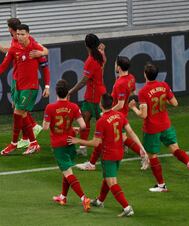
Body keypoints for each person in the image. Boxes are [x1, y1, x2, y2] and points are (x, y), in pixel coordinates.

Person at [129, 62, 189, 192]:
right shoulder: (164, 85)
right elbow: (175, 103)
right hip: (166, 125)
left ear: (145, 75)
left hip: (152, 128)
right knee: (175, 149)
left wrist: (133, 108)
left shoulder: (143, 92)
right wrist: (162, 100)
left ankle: (161, 185)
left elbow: (143, 115)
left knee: (152, 156)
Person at [68, 93, 145, 217]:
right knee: (108, 178)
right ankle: (100, 201)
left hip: (109, 155)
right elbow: (131, 132)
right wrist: (142, 149)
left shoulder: (102, 121)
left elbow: (95, 143)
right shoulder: (120, 115)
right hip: (119, 153)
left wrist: (79, 141)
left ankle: (127, 208)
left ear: (101, 105)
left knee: (112, 183)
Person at [0, 24, 50, 155]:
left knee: (18, 112)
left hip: (30, 87)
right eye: (18, 34)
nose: (19, 37)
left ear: (28, 34)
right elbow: (4, 65)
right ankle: (33, 143)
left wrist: (47, 86)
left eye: (22, 34)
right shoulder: (14, 48)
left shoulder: (35, 48)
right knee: (20, 113)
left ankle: (14, 144)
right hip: (19, 85)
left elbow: (45, 67)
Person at [76, 56, 149, 171]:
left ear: (118, 67)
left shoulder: (120, 83)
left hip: (117, 114)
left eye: (115, 64)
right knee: (122, 138)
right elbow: (132, 93)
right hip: (123, 113)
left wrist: (107, 112)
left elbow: (119, 104)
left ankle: (91, 164)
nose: (114, 65)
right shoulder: (131, 78)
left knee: (104, 139)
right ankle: (143, 154)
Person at [42, 79, 91, 212]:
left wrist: (48, 122)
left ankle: (83, 198)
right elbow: (83, 126)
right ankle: (63, 197)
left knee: (68, 173)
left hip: (59, 145)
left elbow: (45, 128)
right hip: (71, 143)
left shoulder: (50, 107)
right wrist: (74, 129)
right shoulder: (74, 107)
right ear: (67, 93)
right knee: (67, 170)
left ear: (56, 92)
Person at [68, 33, 107, 157]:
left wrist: (70, 91)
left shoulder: (90, 61)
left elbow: (84, 80)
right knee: (87, 120)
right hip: (100, 92)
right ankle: (83, 147)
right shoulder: (100, 55)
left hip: (93, 96)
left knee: (98, 122)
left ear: (86, 45)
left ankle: (117, 143)